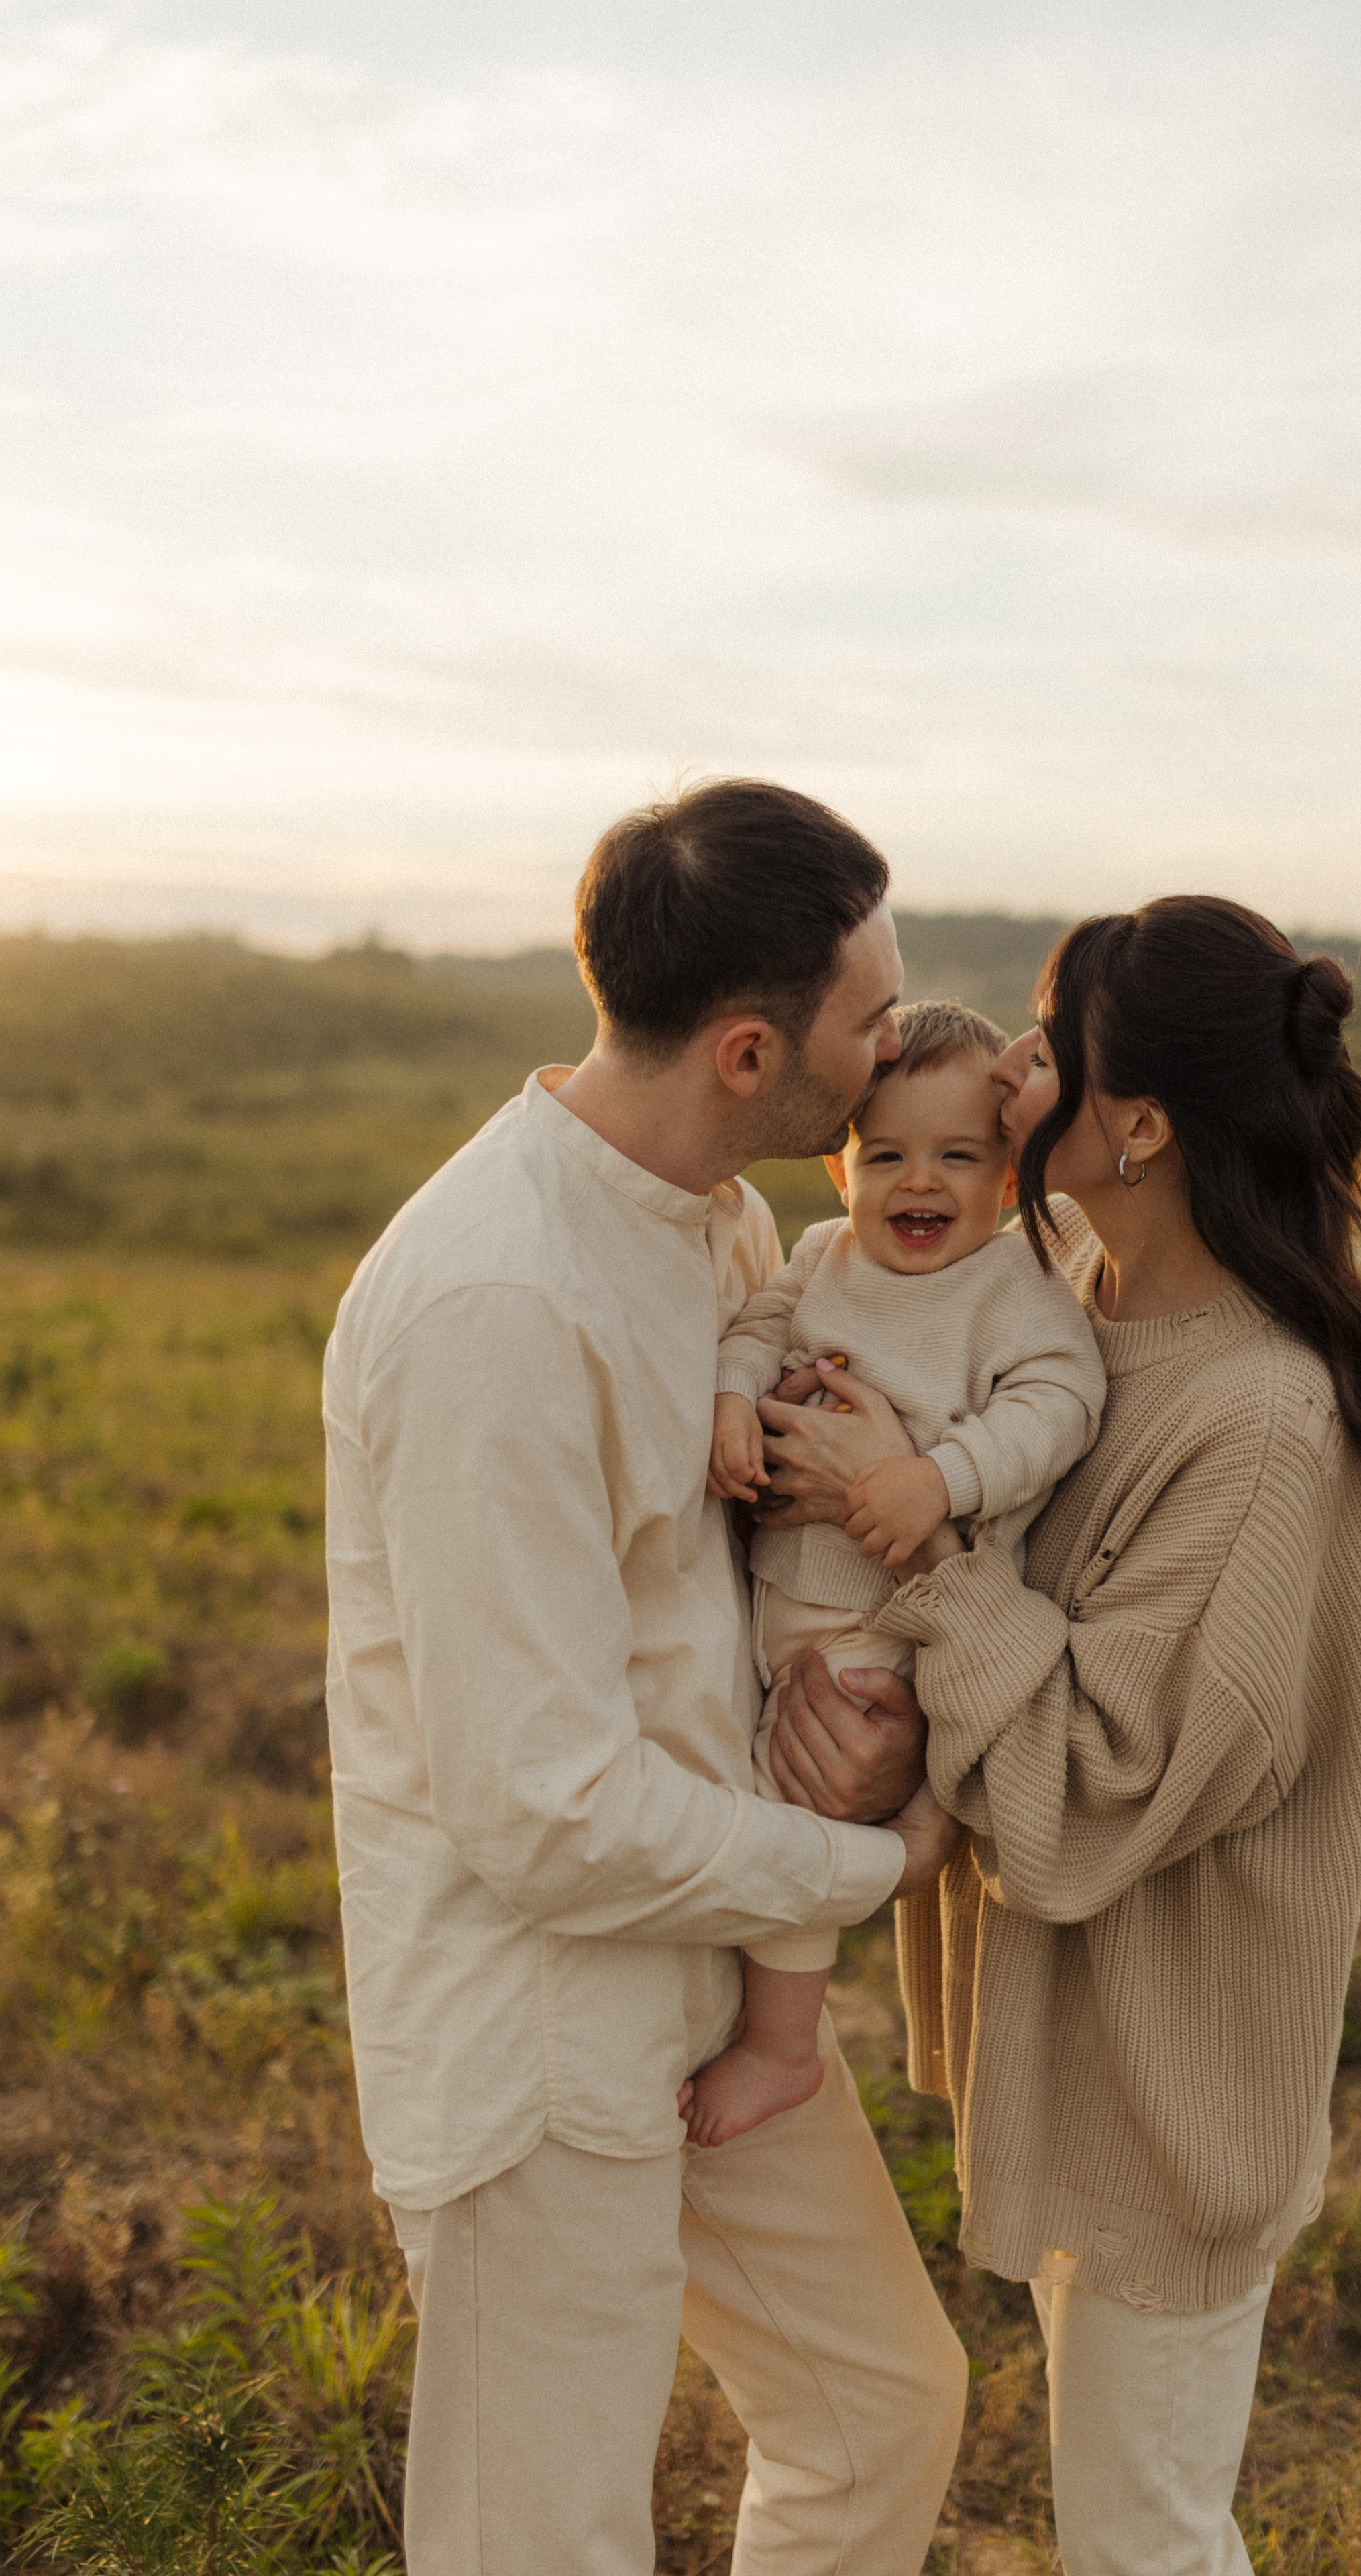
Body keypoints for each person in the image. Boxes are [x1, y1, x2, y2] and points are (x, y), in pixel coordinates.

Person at [322, 779, 966, 2576]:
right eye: (869, 1018)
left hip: (707, 1975)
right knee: (539, 2543)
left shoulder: (720, 1225)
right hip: (540, 2035)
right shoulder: (490, 1303)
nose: (896, 1042)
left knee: (880, 2406)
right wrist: (873, 1864)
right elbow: (539, 1814)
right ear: (754, 1054)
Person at [755, 895, 1361, 2576]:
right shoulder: (1074, 1295)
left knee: (1143, 2537)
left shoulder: (1259, 1420)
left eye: (1052, 1043)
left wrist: (905, 1534)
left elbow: (1103, 1784)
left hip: (1173, 2073)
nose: (1014, 1069)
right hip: (1072, 2041)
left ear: (1133, 1126)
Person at [688, 998, 1106, 2148]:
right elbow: (758, 1323)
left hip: (895, 1616)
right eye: (889, 1156)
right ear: (840, 1167)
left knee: (804, 1803)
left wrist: (944, 1477)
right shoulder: (821, 1257)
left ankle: (781, 2045)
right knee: (760, 1780)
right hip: (780, 1603)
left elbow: (1062, 1402)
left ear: (1011, 1172)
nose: (920, 1184)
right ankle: (905, 1835)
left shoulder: (1015, 1287)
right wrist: (733, 1394)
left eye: (958, 1157)